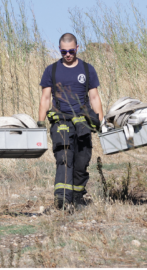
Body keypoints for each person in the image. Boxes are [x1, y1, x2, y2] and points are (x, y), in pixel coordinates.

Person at [37, 33, 104, 210]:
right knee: (64, 157)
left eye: (71, 51)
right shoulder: (51, 70)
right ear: (60, 50)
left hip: (83, 122)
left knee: (82, 160)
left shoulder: (87, 69)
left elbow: (95, 97)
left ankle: (77, 197)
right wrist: (40, 124)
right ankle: (62, 198)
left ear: (77, 48)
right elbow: (45, 98)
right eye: (64, 51)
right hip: (61, 121)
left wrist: (101, 122)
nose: (68, 54)